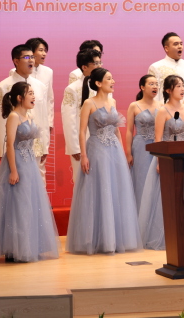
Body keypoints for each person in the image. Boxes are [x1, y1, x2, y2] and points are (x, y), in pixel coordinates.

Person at [66, 68, 141, 254]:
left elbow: (116, 130)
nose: (113, 81)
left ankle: (114, 238)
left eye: (112, 78)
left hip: (114, 150)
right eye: (109, 78)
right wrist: (84, 155)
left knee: (115, 191)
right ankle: (98, 240)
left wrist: (122, 151)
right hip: (96, 150)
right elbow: (82, 131)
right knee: (99, 191)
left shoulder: (112, 101)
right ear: (98, 83)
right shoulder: (88, 103)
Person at [0, 82, 59, 262]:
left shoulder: (29, 116)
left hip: (30, 163)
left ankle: (30, 245)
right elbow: (9, 145)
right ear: (19, 97)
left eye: (33, 93)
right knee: (17, 205)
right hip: (17, 163)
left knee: (30, 204)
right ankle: (14, 248)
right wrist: (13, 171)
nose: (33, 96)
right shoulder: (13, 116)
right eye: (29, 93)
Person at [139, 75, 184, 249]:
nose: (182, 89)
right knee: (169, 198)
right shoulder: (163, 111)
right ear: (168, 90)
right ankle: (168, 235)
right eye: (178, 86)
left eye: (183, 85)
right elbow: (158, 140)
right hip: (169, 158)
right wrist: (159, 161)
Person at [0, 44, 49, 183]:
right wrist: (1, 150)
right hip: (16, 148)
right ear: (16, 61)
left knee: (38, 181)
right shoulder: (3, 87)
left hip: (36, 144)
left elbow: (44, 117)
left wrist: (45, 145)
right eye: (27, 57)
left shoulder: (40, 86)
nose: (31, 60)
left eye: (32, 57)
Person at [10, 37, 55, 182]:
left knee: (40, 169)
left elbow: (48, 100)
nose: (44, 54)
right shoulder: (12, 76)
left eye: (45, 50)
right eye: (40, 50)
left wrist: (49, 122)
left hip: (38, 125)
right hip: (21, 129)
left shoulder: (47, 73)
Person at [61, 49, 102, 185]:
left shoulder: (104, 87)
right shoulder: (72, 89)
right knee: (82, 181)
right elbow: (69, 120)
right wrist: (74, 147)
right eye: (96, 63)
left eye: (100, 62)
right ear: (84, 67)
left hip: (102, 142)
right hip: (82, 143)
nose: (99, 66)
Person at [126, 75, 160, 207]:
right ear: (142, 87)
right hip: (140, 147)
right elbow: (129, 131)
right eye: (151, 84)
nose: (155, 86)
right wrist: (128, 153)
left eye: (156, 84)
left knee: (156, 179)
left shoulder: (162, 105)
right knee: (141, 178)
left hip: (158, 147)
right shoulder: (134, 106)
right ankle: (140, 211)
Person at [148, 32, 184, 103]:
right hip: (164, 108)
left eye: (181, 44)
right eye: (176, 44)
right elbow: (152, 95)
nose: (180, 46)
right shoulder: (155, 67)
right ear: (166, 48)